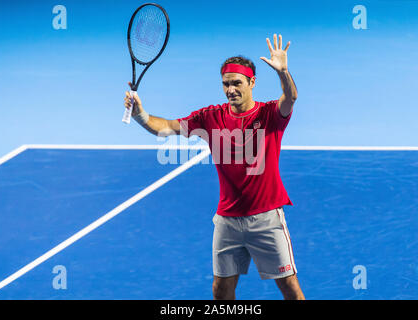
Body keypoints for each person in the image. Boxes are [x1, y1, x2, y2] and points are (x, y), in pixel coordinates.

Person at [124, 34, 305, 300]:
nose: (231, 89)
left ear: (252, 82)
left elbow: (290, 97)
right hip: (228, 220)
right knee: (220, 290)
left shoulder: (269, 115)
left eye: (237, 83)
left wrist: (284, 73)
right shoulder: (211, 117)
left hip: (266, 218)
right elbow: (166, 128)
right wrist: (140, 114)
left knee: (289, 286)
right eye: (226, 84)